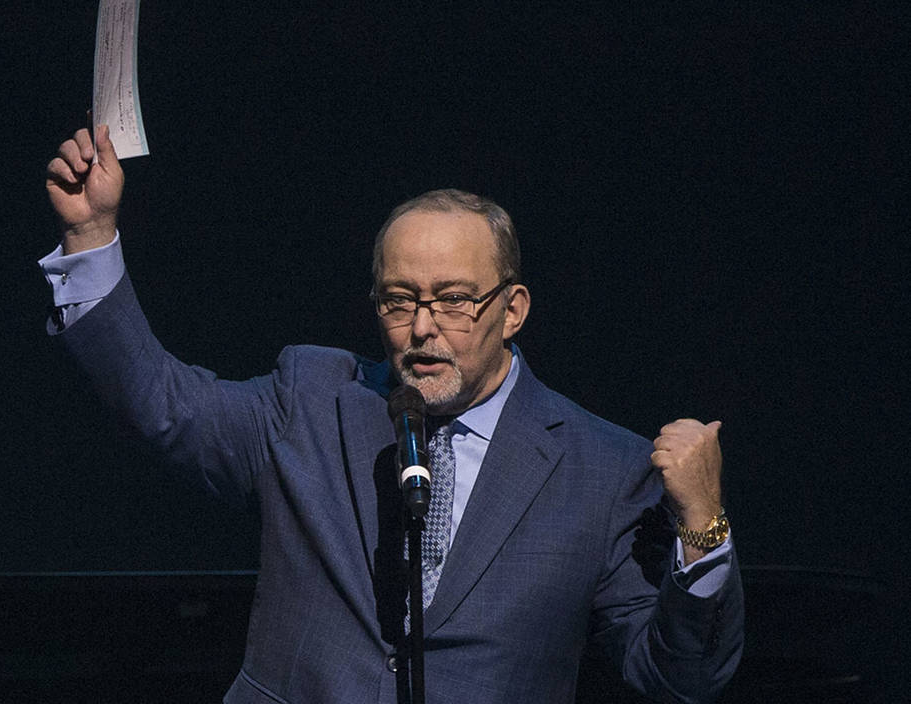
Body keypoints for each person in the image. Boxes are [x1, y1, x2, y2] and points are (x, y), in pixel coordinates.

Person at [41, 125, 743, 703]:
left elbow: (678, 678)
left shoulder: (601, 469)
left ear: (514, 309)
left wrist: (704, 529)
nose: (423, 328)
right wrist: (92, 235)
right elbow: (161, 403)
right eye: (399, 300)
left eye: (454, 299)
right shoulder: (313, 403)